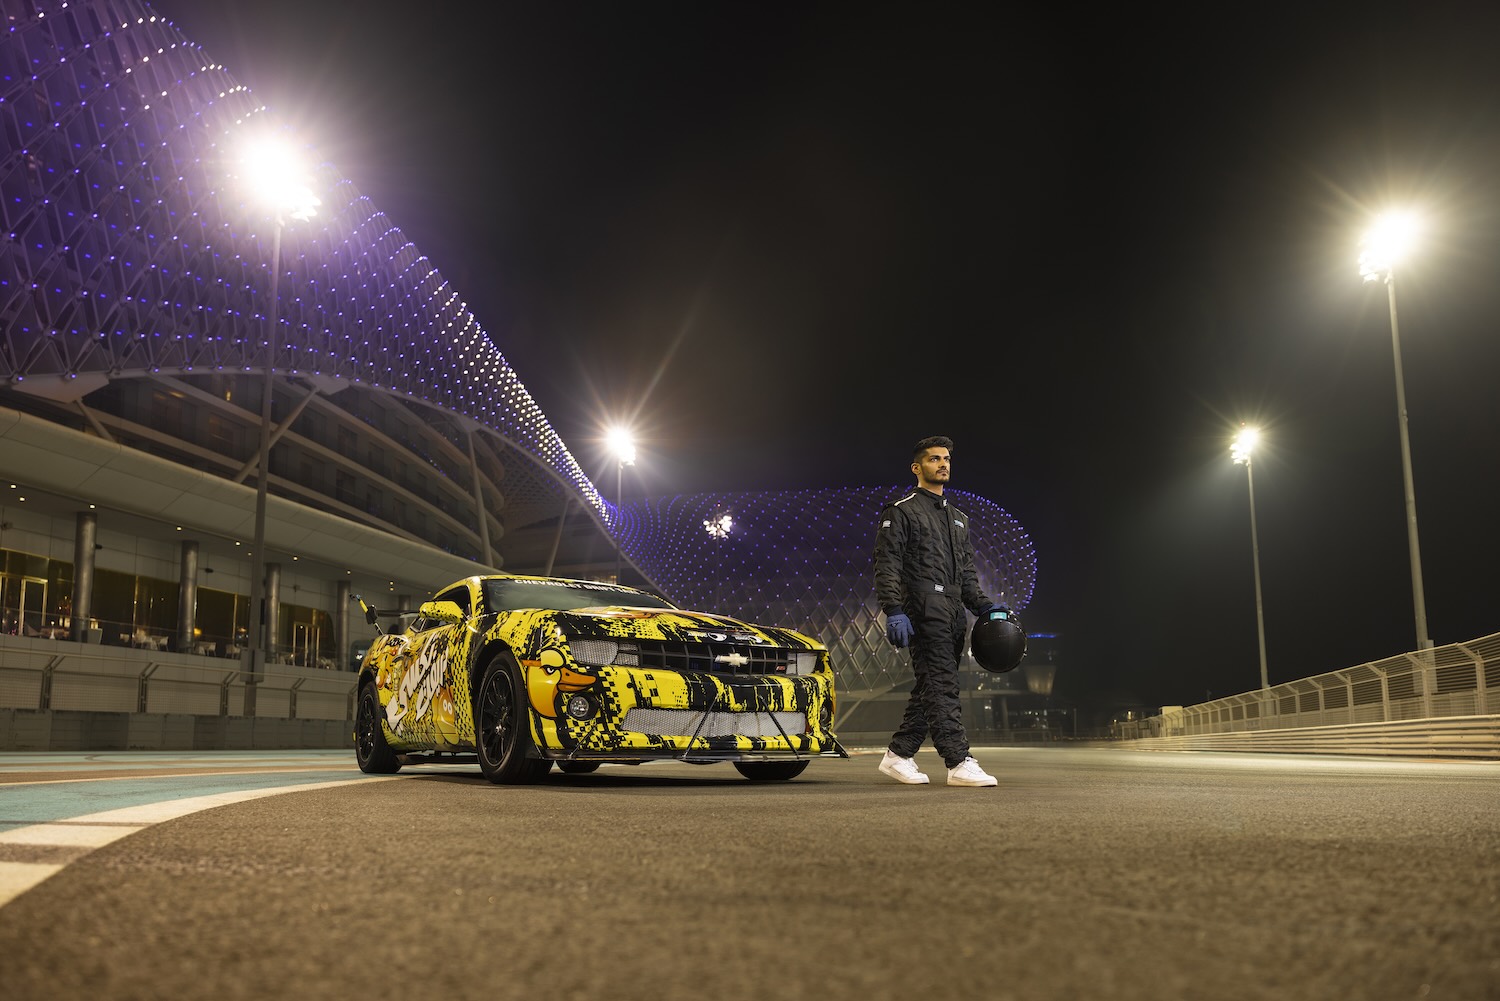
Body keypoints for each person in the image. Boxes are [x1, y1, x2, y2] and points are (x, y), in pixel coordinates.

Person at [872, 435, 1006, 787]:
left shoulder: (959, 519)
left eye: (946, 459)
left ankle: (898, 755)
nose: (943, 464)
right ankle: (958, 760)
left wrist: (985, 607)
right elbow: (887, 565)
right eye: (934, 459)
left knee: (932, 684)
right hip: (920, 606)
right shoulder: (900, 511)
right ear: (918, 468)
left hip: (952, 611)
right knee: (942, 685)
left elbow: (965, 574)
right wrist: (894, 609)